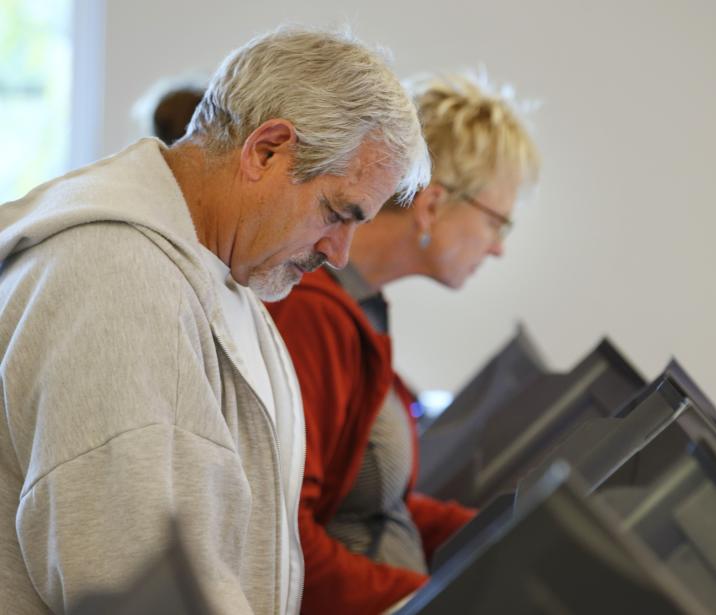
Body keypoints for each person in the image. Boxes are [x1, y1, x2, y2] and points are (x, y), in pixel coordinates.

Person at [0, 26, 429, 615]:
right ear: (267, 150)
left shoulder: (225, 270)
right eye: (336, 212)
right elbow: (132, 581)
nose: (340, 252)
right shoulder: (117, 280)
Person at [266, 72, 540, 615]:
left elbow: (372, 503)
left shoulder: (361, 307)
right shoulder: (312, 310)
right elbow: (286, 544)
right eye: (497, 223)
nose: (497, 249)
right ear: (432, 205)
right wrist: (433, 601)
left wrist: (517, 526)